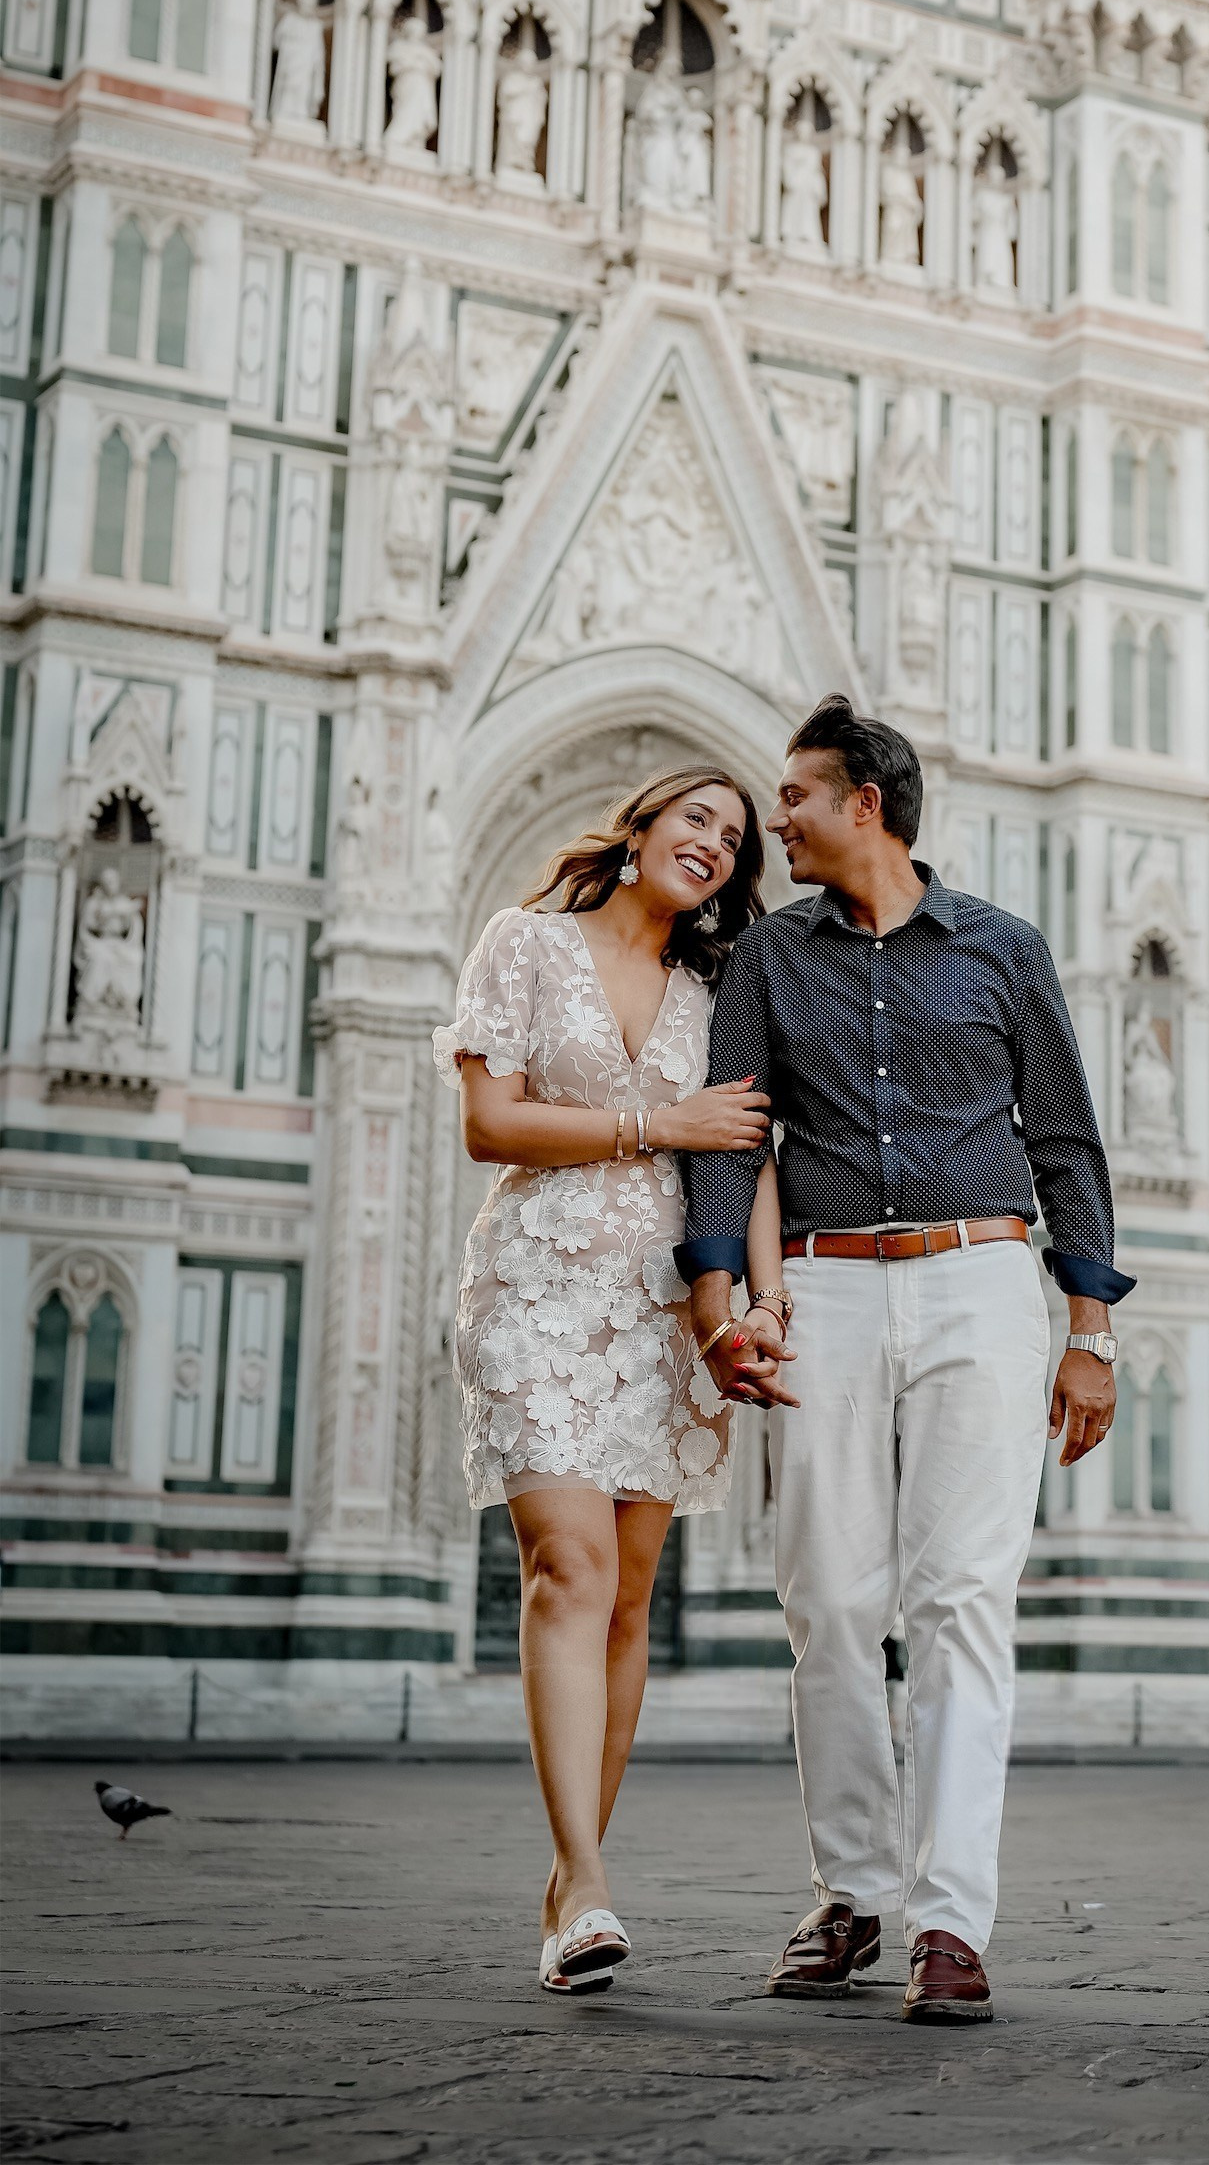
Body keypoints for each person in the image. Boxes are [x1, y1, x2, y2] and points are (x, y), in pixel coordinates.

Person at [680, 694, 1131, 2025]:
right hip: (821, 1287)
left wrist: (1089, 1332)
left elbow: (1066, 1143)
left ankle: (949, 1920)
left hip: (981, 1281)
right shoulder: (768, 958)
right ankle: (854, 1893)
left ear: (864, 803)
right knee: (827, 1599)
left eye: (795, 796)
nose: (777, 819)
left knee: (961, 1603)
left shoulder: (1003, 948)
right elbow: (734, 1140)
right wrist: (722, 1303)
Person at [435, 768, 787, 1997]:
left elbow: (749, 1159)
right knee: (568, 1569)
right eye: (695, 817)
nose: (713, 842)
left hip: (665, 1316)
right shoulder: (525, 944)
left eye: (733, 837)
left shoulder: (720, 992)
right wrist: (657, 1128)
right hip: (538, 1288)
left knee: (629, 1600)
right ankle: (583, 1882)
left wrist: (761, 1304)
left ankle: (569, 1886)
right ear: (638, 827)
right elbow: (489, 1123)